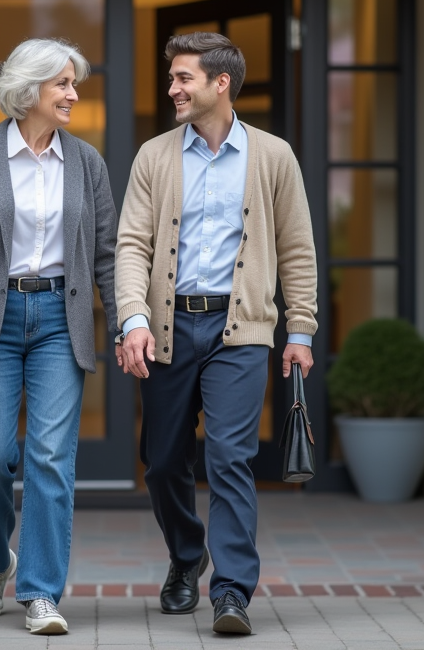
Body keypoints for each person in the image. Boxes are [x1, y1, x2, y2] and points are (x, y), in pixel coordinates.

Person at [115, 32, 318, 635]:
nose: (173, 88)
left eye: (184, 78)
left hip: (241, 329)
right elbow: (131, 246)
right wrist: (133, 319)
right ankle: (186, 555)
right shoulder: (153, 157)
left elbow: (297, 250)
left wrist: (299, 328)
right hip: (168, 327)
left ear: (220, 83)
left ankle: (231, 591)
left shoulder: (274, 156)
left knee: (232, 457)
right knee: (162, 460)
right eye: (173, 78)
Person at [0, 38, 118, 636]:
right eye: (62, 83)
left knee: (49, 457)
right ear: (29, 88)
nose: (73, 94)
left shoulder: (86, 162)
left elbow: (110, 255)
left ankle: (40, 592)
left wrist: (123, 322)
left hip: (60, 321)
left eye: (74, 84)